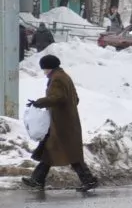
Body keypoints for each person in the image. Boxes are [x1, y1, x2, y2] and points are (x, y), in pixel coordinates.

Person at [21, 54, 98, 191]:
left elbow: (57, 97)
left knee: (69, 152)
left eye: (44, 68)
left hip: (63, 123)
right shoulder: (64, 76)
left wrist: (39, 102)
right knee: (50, 149)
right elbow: (75, 98)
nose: (43, 72)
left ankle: (89, 180)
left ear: (48, 67)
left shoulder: (57, 79)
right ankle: (37, 179)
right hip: (65, 121)